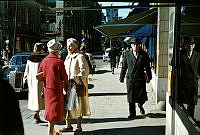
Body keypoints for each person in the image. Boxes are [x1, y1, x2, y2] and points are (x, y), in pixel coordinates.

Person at [59, 38, 91, 134]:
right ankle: (68, 126)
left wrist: (76, 78)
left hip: (77, 86)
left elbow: (85, 71)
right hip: (67, 85)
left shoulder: (80, 57)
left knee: (78, 106)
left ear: (76, 46)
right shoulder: (68, 57)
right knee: (67, 106)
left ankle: (79, 127)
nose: (69, 47)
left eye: (71, 45)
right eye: (68, 45)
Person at [38, 39, 68, 135]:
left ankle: (52, 131)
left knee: (49, 110)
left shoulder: (44, 61)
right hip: (56, 89)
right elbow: (64, 77)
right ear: (57, 51)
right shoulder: (59, 62)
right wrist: (66, 90)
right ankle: (50, 132)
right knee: (54, 111)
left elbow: (39, 74)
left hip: (47, 89)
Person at [119, 37, 152, 119]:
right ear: (131, 46)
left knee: (141, 96)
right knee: (131, 97)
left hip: (140, 78)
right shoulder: (127, 54)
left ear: (140, 45)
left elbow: (148, 67)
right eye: (134, 45)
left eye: (137, 45)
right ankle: (132, 113)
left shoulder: (144, 54)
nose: (135, 46)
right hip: (130, 79)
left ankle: (141, 105)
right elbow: (124, 66)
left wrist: (149, 77)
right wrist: (121, 77)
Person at [23, 43, 46, 124]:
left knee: (34, 98)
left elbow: (27, 70)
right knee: (40, 98)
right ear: (41, 49)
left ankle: (37, 115)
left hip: (31, 81)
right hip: (40, 80)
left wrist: (25, 79)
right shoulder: (43, 59)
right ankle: (37, 114)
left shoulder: (29, 59)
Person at [178, 36, 200, 119]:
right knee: (182, 103)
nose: (190, 46)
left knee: (192, 103)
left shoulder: (198, 55)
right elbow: (173, 63)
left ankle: (191, 118)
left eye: (191, 44)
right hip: (183, 83)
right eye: (188, 45)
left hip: (193, 83)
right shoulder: (180, 54)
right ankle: (183, 118)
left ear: (194, 46)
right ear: (185, 46)